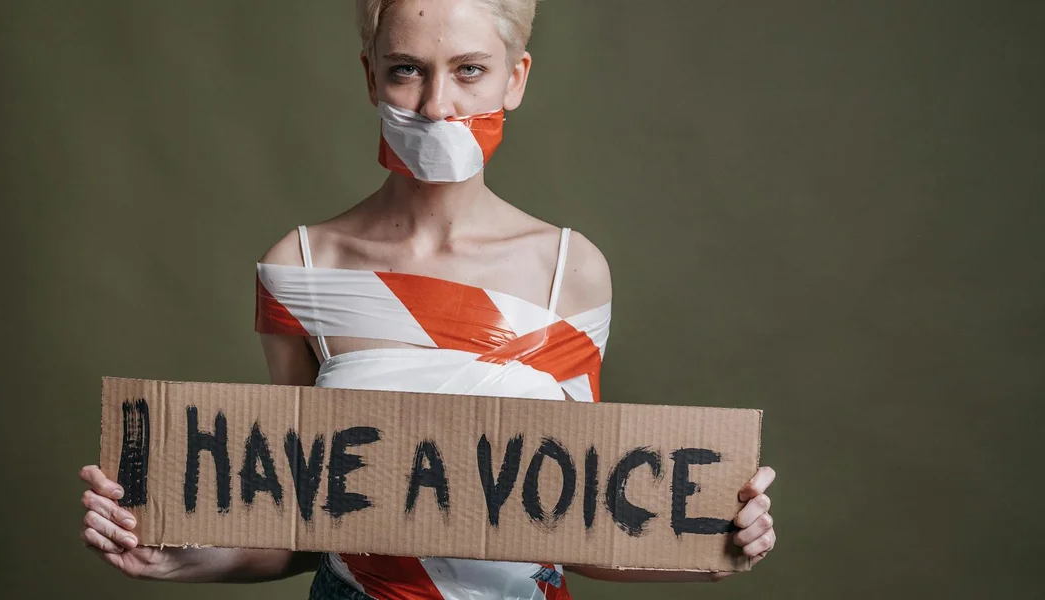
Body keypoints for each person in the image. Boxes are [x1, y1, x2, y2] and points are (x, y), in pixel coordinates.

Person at [78, 0, 777, 598]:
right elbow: (299, 523)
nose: (438, 105)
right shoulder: (301, 266)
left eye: (470, 70)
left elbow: (582, 524)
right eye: (407, 69)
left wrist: (712, 544)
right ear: (370, 77)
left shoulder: (570, 270)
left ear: (516, 79)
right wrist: (189, 557)